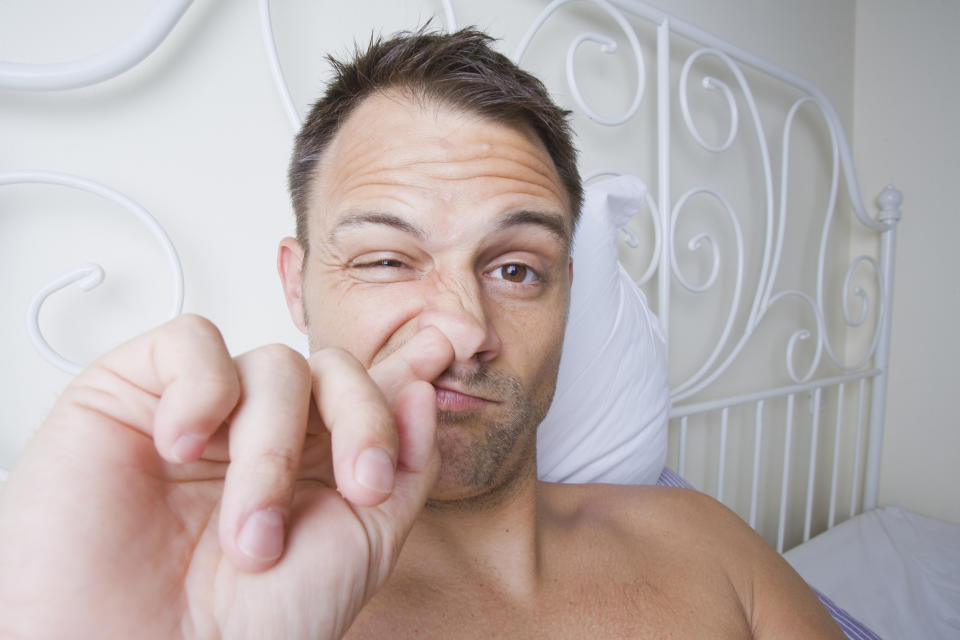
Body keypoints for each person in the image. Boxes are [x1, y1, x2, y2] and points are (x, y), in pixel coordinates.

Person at [0, 28, 845, 639]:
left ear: (568, 295)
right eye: (385, 261)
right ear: (298, 284)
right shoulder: (221, 594)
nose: (463, 329)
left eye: (516, 268)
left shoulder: (701, 545)